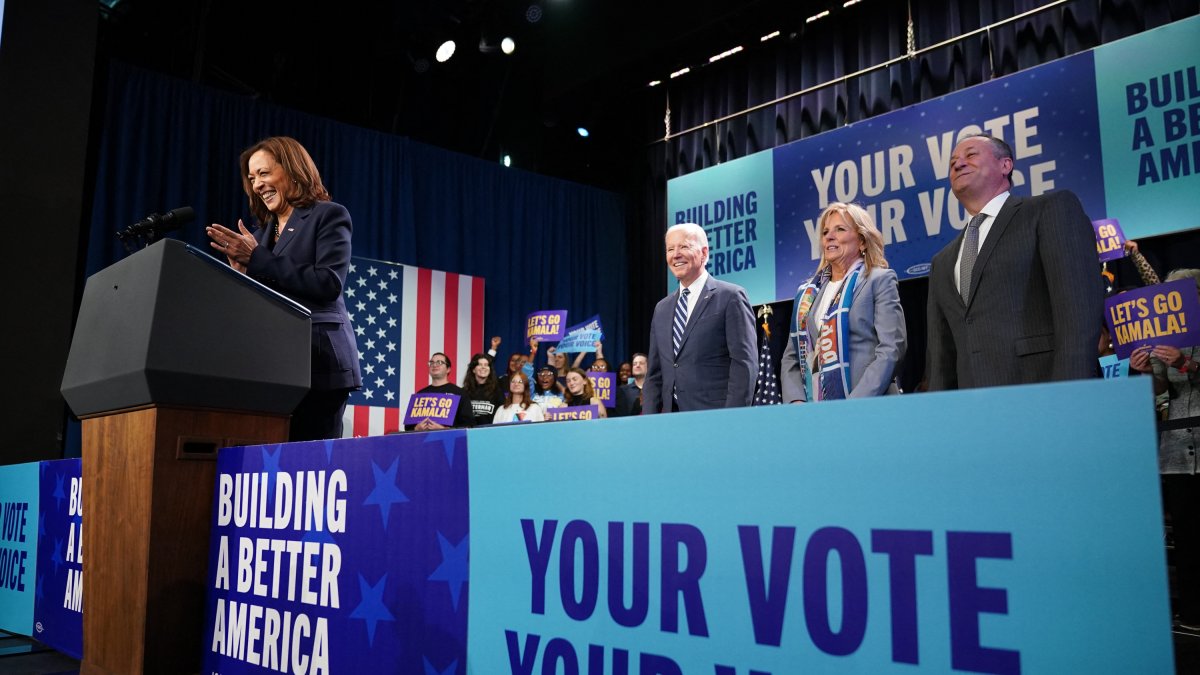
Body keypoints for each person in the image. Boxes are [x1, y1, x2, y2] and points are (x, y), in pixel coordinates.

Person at [206, 136, 361, 441]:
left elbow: (328, 283)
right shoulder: (261, 236)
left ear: (292, 170)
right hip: (270, 367)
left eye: (264, 173)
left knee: (311, 465)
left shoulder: (328, 215)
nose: (257, 185)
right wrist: (240, 277)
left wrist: (257, 260)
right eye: (252, 178)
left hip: (318, 364)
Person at [925, 133, 1104, 389]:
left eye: (971, 154)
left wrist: (1070, 393)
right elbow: (940, 356)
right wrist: (940, 412)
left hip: (1043, 394)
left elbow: (1078, 311)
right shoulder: (941, 261)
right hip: (973, 411)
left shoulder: (1049, 210)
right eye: (953, 161)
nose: (958, 163)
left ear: (1005, 165)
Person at [1129, 268, 1200, 632]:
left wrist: (1186, 363)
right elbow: (1157, 389)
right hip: (1175, 454)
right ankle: (1191, 614)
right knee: (1186, 539)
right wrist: (1142, 372)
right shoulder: (1162, 337)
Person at [780, 203, 906, 401]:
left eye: (840, 229)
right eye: (825, 232)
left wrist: (854, 403)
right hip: (817, 412)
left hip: (869, 405)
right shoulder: (807, 294)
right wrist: (797, 401)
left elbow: (891, 348)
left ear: (862, 241)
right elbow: (792, 356)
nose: (829, 236)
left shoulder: (879, 280)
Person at [643, 222, 756, 413]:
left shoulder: (731, 297)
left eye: (684, 246)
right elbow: (655, 374)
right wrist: (647, 422)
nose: (675, 254)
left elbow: (744, 363)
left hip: (716, 416)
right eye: (670, 249)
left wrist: (734, 418)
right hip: (672, 421)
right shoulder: (661, 309)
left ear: (704, 253)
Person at [404, 352, 475, 431]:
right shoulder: (420, 394)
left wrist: (444, 429)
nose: (434, 365)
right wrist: (416, 428)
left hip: (449, 442)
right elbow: (408, 427)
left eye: (440, 362)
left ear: (448, 369)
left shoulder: (459, 393)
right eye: (431, 362)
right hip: (423, 441)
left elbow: (468, 425)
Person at [462, 352, 505, 426]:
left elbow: (503, 415)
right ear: (473, 370)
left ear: (490, 369)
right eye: (480, 364)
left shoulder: (497, 391)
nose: (483, 367)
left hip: (490, 433)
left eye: (486, 365)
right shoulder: (464, 391)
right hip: (469, 433)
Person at [615, 353, 647, 417]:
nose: (637, 365)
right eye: (634, 364)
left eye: (641, 363)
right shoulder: (622, 390)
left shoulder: (656, 390)